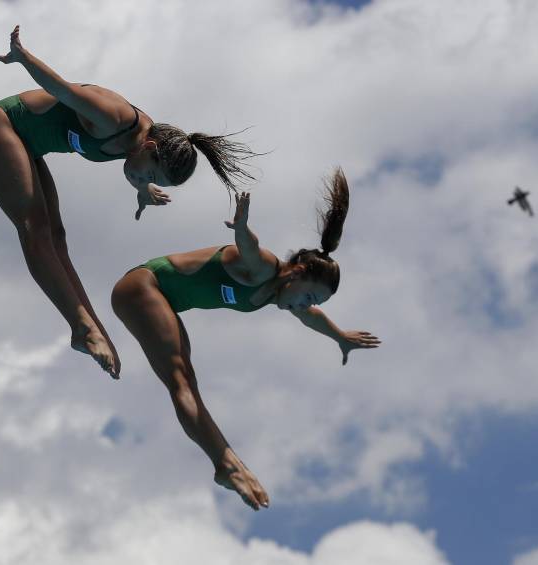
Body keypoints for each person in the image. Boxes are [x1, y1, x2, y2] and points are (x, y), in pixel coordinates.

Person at [0, 25, 261, 379]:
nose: (145, 180)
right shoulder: (113, 118)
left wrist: (143, 191)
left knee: (57, 237)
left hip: (28, 145)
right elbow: (62, 89)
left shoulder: (143, 147)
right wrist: (22, 56)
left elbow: (135, 172)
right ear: (149, 147)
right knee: (36, 230)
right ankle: (82, 326)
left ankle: (91, 328)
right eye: (151, 176)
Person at [111, 168, 381, 510]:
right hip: (143, 286)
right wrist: (241, 227)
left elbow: (309, 316)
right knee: (181, 381)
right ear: (297, 273)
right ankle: (225, 463)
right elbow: (249, 249)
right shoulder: (264, 268)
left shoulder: (277, 295)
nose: (304, 305)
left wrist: (339, 336)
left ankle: (226, 463)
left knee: (187, 381)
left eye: (311, 302)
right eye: (309, 296)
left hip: (162, 300)